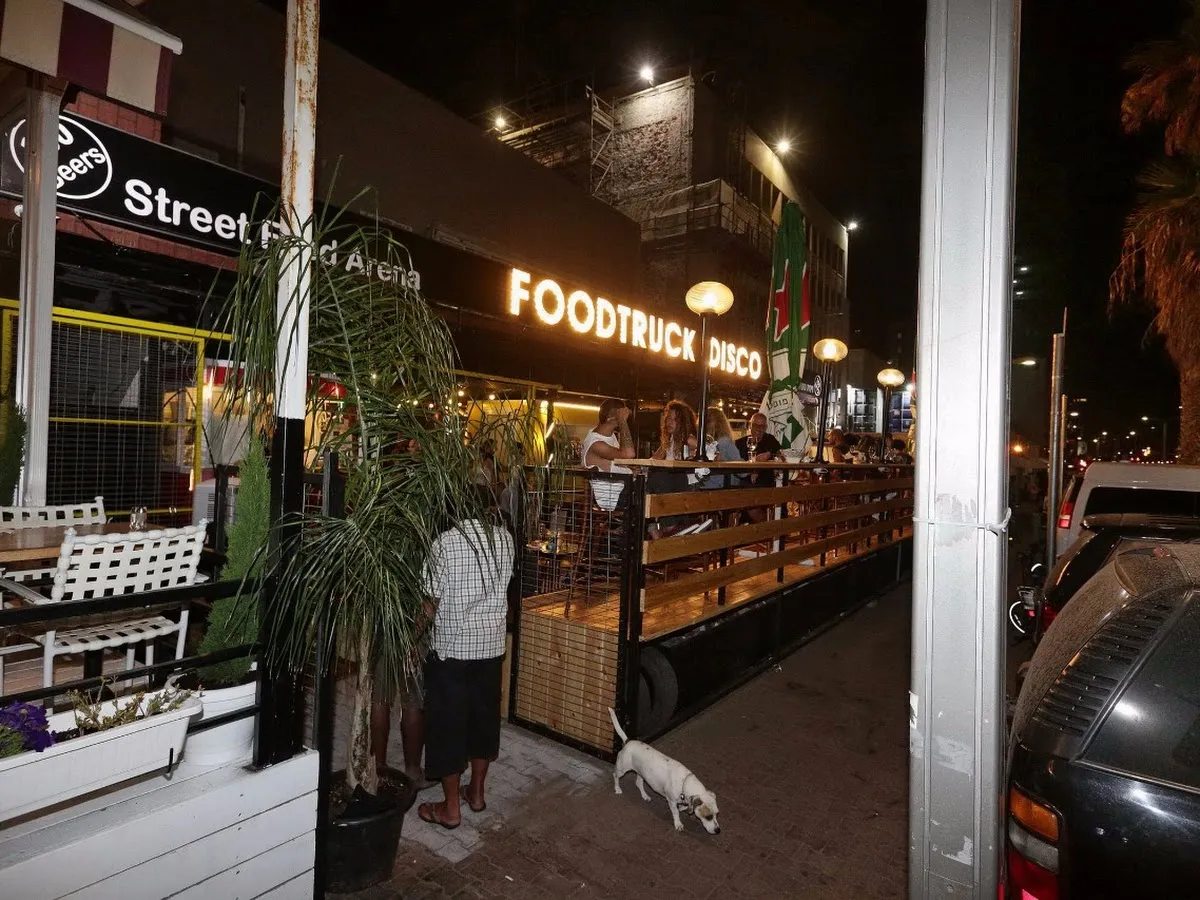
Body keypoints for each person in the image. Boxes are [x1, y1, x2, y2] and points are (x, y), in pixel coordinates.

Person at [417, 489, 516, 830]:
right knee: (483, 721)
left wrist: (411, 637)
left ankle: (450, 809)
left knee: (448, 726)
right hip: (491, 647)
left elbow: (430, 602)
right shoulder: (505, 539)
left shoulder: (444, 543)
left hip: (452, 651)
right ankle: (476, 793)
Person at [581, 398, 636, 510]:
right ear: (615, 416)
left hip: (623, 489)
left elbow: (618, 462)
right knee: (657, 483)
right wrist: (622, 421)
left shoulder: (609, 435)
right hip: (613, 498)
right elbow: (629, 454)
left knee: (656, 480)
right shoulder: (596, 443)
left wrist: (632, 470)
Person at [735, 413, 783, 524]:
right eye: (756, 425)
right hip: (744, 481)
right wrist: (751, 471)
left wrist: (769, 454)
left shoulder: (770, 440)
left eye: (762, 426)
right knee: (745, 495)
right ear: (750, 426)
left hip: (764, 482)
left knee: (749, 499)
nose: (759, 429)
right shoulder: (740, 443)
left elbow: (780, 455)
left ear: (765, 427)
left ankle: (763, 527)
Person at [699, 407, 743, 490]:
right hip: (722, 487)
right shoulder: (724, 441)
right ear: (722, 423)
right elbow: (740, 468)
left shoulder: (700, 443)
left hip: (704, 485)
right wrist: (753, 470)